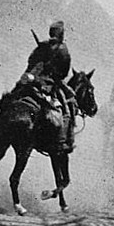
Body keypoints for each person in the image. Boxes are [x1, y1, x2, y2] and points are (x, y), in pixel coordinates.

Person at [24, 21, 76, 152]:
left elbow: (31, 62)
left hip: (31, 79)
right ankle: (61, 141)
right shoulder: (62, 48)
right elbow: (64, 71)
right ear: (61, 34)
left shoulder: (42, 46)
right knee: (66, 111)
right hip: (49, 84)